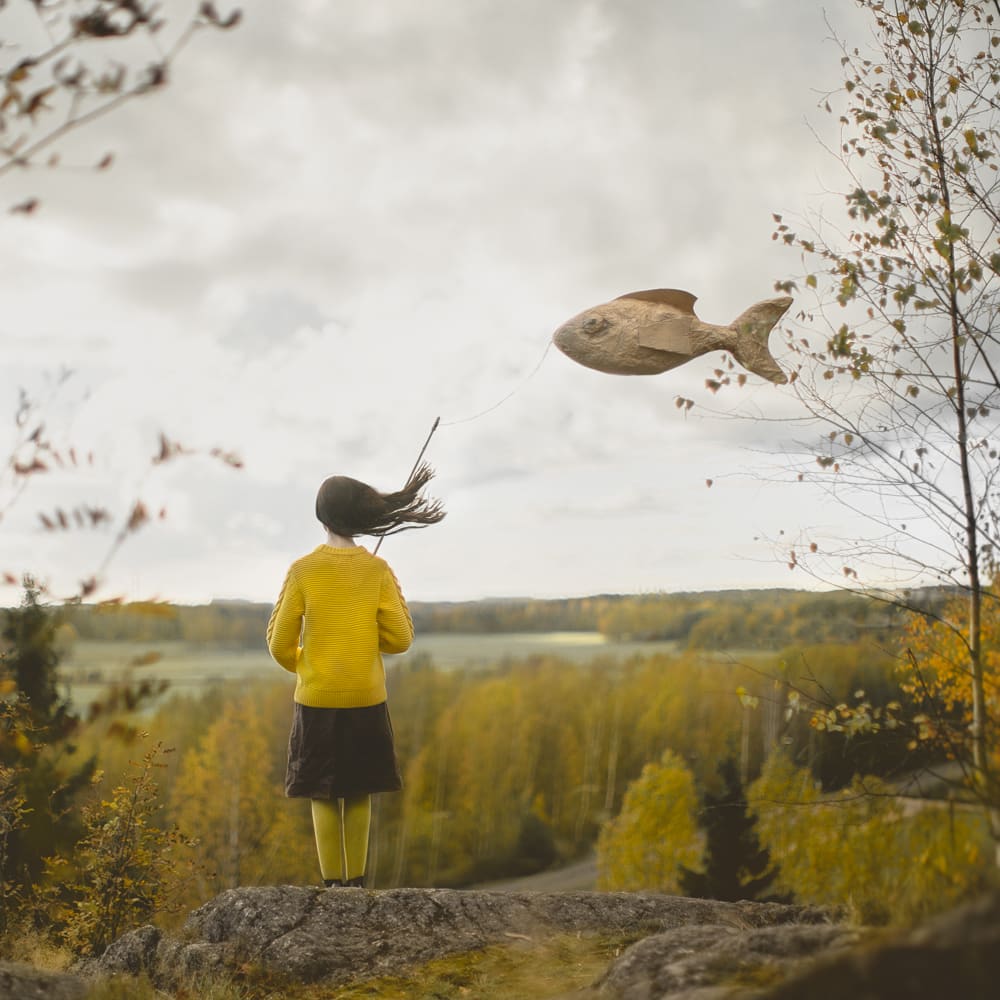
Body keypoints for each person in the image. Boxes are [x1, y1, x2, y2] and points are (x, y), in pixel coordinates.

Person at [266, 462, 445, 888]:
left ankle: (333, 887)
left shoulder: (302, 570)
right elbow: (400, 639)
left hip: (317, 699)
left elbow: (278, 643)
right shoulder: (377, 571)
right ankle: (358, 883)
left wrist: (309, 665)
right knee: (360, 789)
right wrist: (364, 639)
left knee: (322, 793)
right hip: (366, 697)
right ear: (360, 516)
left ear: (322, 517)